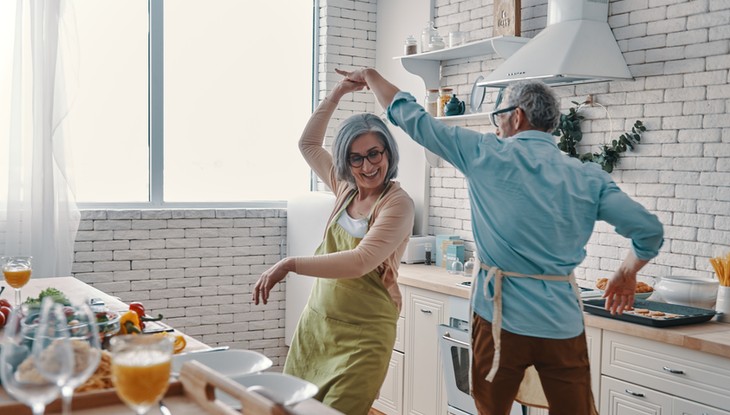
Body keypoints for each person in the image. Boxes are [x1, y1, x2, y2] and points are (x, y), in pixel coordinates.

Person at [337, 68, 664, 415]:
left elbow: (413, 118)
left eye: (499, 115)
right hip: (561, 323)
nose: (496, 125)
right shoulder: (586, 176)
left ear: (516, 116)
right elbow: (649, 231)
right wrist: (627, 272)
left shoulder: (484, 153)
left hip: (497, 320)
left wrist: (372, 76)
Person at [252, 77, 414, 415]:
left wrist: (289, 264)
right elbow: (308, 144)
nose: (368, 166)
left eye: (374, 154)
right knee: (293, 410)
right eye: (356, 159)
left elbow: (360, 261)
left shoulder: (397, 204)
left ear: (388, 152)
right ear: (346, 162)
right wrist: (337, 93)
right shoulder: (345, 188)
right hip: (318, 326)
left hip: (364, 337)